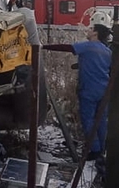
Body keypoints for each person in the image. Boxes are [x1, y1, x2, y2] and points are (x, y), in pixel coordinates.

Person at [42, 11, 112, 166]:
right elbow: (102, 67)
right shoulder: (107, 50)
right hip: (104, 91)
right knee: (101, 120)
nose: (87, 30)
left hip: (88, 90)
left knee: (88, 120)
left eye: (90, 28)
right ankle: (101, 150)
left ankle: (93, 151)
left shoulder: (88, 46)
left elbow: (68, 48)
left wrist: (43, 46)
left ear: (95, 32)